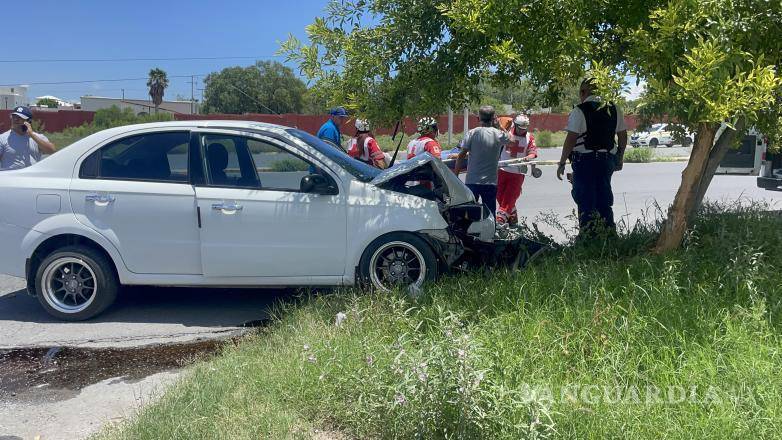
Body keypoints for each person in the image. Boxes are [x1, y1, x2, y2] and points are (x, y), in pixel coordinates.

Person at [556, 78, 627, 237]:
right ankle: (609, 236)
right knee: (604, 200)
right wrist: (620, 158)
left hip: (585, 161)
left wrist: (561, 163)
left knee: (586, 201)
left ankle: (588, 239)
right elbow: (622, 135)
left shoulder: (579, 110)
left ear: (583, 92)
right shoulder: (614, 108)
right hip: (607, 160)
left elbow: (571, 138)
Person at [454, 105, 510, 216]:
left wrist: (455, 176)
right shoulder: (498, 134)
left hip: (472, 181)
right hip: (490, 183)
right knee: (490, 214)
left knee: (469, 214)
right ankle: (490, 233)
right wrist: (500, 126)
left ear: (478, 119)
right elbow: (511, 140)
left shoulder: (472, 133)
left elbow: (461, 156)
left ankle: (469, 233)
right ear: (494, 118)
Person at [496, 114, 538, 225]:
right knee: (500, 197)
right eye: (520, 128)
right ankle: (513, 220)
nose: (522, 131)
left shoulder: (530, 137)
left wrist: (527, 158)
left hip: (517, 173)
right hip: (502, 170)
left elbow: (533, 152)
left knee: (509, 198)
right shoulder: (506, 133)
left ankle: (499, 221)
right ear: (515, 125)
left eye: (524, 128)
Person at [0, 106, 56, 170]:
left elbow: (52, 151)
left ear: (28, 121)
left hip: (31, 177)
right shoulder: (2, 138)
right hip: (11, 177)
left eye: (20, 117)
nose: (15, 119)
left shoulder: (37, 137)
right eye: (14, 117)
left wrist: (32, 135)